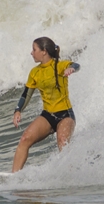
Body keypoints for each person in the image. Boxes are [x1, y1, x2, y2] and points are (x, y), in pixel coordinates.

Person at [12, 37, 80, 172]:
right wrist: (18, 110)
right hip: (47, 116)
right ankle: (13, 177)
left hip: (65, 115)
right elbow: (26, 94)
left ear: (44, 51)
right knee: (25, 139)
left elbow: (76, 65)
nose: (31, 53)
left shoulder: (59, 66)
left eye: (34, 49)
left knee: (62, 140)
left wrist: (71, 69)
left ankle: (71, 174)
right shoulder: (35, 72)